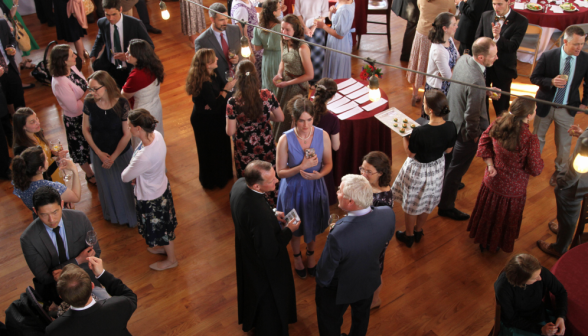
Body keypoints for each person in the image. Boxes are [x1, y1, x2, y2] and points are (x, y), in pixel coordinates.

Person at [315, 174, 395, 336]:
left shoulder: (339, 234)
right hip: (368, 279)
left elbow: (325, 272)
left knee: (329, 322)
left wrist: (321, 284)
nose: (337, 192)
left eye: (340, 191)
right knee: (361, 317)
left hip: (339, 288)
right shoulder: (388, 213)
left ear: (350, 201)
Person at [229, 160, 300, 335]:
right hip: (263, 265)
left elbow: (249, 215)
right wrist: (290, 230)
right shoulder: (259, 214)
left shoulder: (239, 184)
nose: (276, 181)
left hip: (246, 249)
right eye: (271, 180)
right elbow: (270, 250)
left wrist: (273, 214)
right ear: (257, 186)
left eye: (274, 175)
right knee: (269, 298)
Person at [467, 97, 544, 253]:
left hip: (492, 179)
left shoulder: (500, 122)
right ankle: (495, 244)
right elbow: (535, 169)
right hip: (512, 190)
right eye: (535, 110)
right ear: (528, 116)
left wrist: (490, 165)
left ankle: (483, 241)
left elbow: (483, 141)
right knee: (502, 218)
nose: (536, 111)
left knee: (488, 212)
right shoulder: (530, 140)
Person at [437, 37, 497, 221]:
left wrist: (483, 91)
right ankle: (446, 206)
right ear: (480, 57)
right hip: (465, 132)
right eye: (493, 55)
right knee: (457, 169)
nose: (496, 58)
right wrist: (473, 137)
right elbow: (472, 115)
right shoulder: (477, 80)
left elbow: (463, 89)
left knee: (448, 162)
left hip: (451, 121)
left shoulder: (464, 59)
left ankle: (444, 186)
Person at [276, 96, 332, 279]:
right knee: (294, 226)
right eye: (301, 120)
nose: (306, 125)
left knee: (312, 221)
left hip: (315, 186)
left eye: (309, 120)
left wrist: (320, 175)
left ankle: (310, 253)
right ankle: (297, 256)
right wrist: (301, 167)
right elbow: (280, 172)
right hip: (292, 190)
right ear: (294, 118)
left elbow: (329, 164)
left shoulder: (323, 135)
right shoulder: (285, 140)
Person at [393, 90, 456, 246]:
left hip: (418, 170)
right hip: (436, 169)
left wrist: (404, 136)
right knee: (427, 201)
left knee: (412, 202)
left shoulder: (419, 131)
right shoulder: (451, 126)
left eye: (425, 104)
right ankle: (418, 230)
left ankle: (408, 236)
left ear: (430, 110)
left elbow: (410, 153)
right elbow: (448, 150)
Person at [20, 186, 102, 305]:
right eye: (44, 215)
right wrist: (77, 260)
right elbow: (45, 277)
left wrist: (61, 270)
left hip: (88, 283)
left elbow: (96, 253)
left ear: (62, 204)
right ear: (35, 211)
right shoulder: (28, 239)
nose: (51, 219)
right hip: (56, 292)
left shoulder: (80, 218)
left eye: (55, 212)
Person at [530, 25, 588, 187]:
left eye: (582, 43)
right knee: (537, 139)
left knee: (564, 144)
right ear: (565, 41)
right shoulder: (548, 55)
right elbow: (534, 78)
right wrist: (551, 82)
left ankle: (560, 171)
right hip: (545, 105)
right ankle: (533, 165)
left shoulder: (585, 59)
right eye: (576, 44)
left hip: (567, 108)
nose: (580, 48)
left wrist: (584, 103)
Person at [122, 109, 178, 271]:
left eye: (130, 125)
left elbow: (125, 176)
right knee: (164, 224)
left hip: (152, 196)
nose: (128, 128)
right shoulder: (157, 136)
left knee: (162, 228)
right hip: (161, 187)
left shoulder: (144, 156)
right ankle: (164, 248)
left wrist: (135, 173)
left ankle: (171, 259)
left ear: (139, 128)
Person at [82, 70, 137, 226]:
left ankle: (129, 215)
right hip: (99, 152)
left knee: (125, 186)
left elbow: (127, 134)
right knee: (106, 185)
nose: (92, 92)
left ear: (106, 86)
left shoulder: (121, 103)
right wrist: (99, 154)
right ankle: (113, 214)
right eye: (90, 88)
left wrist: (112, 157)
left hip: (120, 153)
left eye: (95, 88)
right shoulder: (89, 102)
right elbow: (85, 129)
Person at [226, 60, 283, 204]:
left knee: (250, 178)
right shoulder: (266, 95)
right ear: (255, 76)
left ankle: (253, 203)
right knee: (268, 175)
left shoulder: (232, 103)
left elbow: (230, 131)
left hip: (245, 149)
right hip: (266, 145)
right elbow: (280, 117)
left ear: (238, 78)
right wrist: (264, 115)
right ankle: (272, 201)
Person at [46, 257, 138, 336]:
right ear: (92, 286)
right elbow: (130, 295)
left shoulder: (54, 330)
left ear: (61, 297)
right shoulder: (120, 306)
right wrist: (101, 274)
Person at [186, 48, 235, 189]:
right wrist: (225, 90)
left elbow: (215, 102)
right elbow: (215, 104)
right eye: (214, 59)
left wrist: (217, 98)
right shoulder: (204, 83)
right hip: (204, 121)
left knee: (221, 147)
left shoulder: (212, 73)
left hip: (215, 117)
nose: (217, 59)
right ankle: (213, 180)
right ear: (207, 64)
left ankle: (224, 174)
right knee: (210, 150)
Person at [537, 125, 588, 258]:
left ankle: (559, 248)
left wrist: (563, 182)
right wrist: (583, 134)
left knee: (568, 214)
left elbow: (576, 171)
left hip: (576, 182)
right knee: (568, 215)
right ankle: (564, 232)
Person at [49, 44, 95, 184]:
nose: (75, 56)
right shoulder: (59, 82)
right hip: (76, 120)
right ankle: (89, 174)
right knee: (81, 147)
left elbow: (84, 83)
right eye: (71, 55)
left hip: (87, 112)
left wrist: (84, 94)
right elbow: (74, 108)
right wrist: (87, 96)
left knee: (93, 142)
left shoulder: (72, 67)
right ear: (63, 61)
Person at [475, 0, 528, 116]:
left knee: (502, 107)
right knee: (481, 103)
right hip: (484, 67)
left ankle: (501, 132)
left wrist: (498, 38)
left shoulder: (521, 20)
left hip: (503, 69)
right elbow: (477, 40)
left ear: (508, 2)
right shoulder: (486, 15)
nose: (496, 7)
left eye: (499, 4)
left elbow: (512, 47)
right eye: (494, 4)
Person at [494, 254, 567, 336]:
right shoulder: (503, 288)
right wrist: (540, 329)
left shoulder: (539, 272)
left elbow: (560, 291)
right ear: (521, 281)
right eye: (535, 278)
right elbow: (511, 318)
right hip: (517, 323)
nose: (540, 278)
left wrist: (561, 316)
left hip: (538, 314)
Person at [89, 0, 154, 89]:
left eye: (114, 14)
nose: (111, 18)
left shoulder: (135, 24)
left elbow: (150, 46)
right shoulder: (102, 23)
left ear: (120, 9)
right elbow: (100, 39)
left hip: (128, 68)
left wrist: (129, 56)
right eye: (107, 14)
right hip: (110, 66)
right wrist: (93, 55)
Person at [272, 14, 313, 141]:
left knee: (290, 117)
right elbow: (283, 61)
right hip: (285, 84)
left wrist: (288, 83)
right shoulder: (283, 41)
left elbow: (310, 75)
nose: (284, 32)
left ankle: (290, 145)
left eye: (287, 29)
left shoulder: (302, 47)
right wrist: (279, 73)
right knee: (280, 113)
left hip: (297, 88)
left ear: (295, 30)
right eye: (282, 29)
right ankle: (280, 142)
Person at [359, 151, 393, 310]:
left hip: (374, 241)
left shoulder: (382, 199)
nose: (363, 174)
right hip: (363, 235)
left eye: (368, 171)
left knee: (375, 270)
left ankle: (375, 300)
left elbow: (378, 228)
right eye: (362, 169)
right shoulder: (369, 185)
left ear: (380, 173)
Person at [406, 0, 455, 106]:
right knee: (434, 66)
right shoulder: (448, 1)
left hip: (422, 32)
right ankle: (430, 95)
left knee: (419, 64)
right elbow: (452, 13)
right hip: (437, 36)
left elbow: (419, 6)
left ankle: (414, 94)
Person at [121, 38, 164, 149]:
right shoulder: (153, 65)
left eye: (129, 52)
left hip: (142, 112)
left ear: (138, 56)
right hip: (155, 105)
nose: (126, 54)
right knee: (154, 137)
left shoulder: (137, 76)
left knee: (143, 143)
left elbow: (124, 95)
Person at [12, 146, 82, 213]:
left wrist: (62, 197)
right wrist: (74, 170)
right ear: (40, 168)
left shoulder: (19, 183)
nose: (48, 158)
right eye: (46, 158)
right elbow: (76, 197)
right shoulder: (52, 188)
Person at [12, 108, 66, 184]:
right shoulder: (22, 149)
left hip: (54, 174)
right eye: (32, 122)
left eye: (36, 118)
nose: (38, 122)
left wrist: (53, 153)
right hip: (46, 181)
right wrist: (58, 161)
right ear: (23, 126)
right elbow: (36, 174)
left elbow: (43, 155)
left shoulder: (37, 132)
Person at [193, 3, 242, 86]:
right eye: (221, 20)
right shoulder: (201, 41)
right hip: (219, 84)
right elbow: (201, 68)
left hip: (239, 80)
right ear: (212, 19)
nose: (225, 22)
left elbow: (243, 52)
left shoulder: (235, 30)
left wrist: (238, 58)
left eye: (227, 18)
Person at [422, 12, 459, 119]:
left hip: (448, 86)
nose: (457, 26)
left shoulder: (449, 40)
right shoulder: (438, 50)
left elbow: (458, 57)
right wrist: (456, 67)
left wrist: (452, 68)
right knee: (438, 119)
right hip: (438, 89)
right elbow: (447, 76)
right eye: (454, 24)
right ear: (445, 28)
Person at [311, 78, 340, 205]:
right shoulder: (332, 119)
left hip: (302, 154)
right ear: (332, 97)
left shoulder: (303, 109)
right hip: (322, 161)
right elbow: (336, 147)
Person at [315, 0, 354, 80]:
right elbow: (333, 20)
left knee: (335, 69)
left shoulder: (345, 10)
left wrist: (323, 26)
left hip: (339, 44)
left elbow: (340, 36)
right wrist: (331, 11)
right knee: (332, 66)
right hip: (334, 40)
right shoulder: (342, 2)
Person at [294, 0, 328, 83]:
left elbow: (324, 13)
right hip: (302, 28)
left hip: (318, 28)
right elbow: (297, 13)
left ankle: (316, 81)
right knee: (303, 55)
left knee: (318, 57)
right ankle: (305, 80)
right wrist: (305, 27)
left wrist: (313, 27)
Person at [252, 0, 282, 93]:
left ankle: (268, 104)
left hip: (266, 58)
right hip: (280, 57)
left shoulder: (258, 27)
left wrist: (266, 44)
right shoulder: (282, 27)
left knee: (268, 84)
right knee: (279, 84)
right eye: (279, 8)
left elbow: (257, 47)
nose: (281, 10)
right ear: (274, 12)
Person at [231, 0, 263, 78]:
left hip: (256, 44)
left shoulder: (247, 2)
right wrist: (251, 55)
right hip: (252, 48)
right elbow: (243, 34)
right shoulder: (241, 9)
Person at [0, 18, 25, 113]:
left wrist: (12, 47)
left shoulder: (2, 23)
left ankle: (22, 120)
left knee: (18, 95)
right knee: (4, 99)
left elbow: (11, 39)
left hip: (10, 66)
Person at [53, 0, 87, 67]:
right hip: (68, 4)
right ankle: (83, 52)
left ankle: (81, 58)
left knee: (74, 33)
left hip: (67, 5)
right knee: (75, 30)